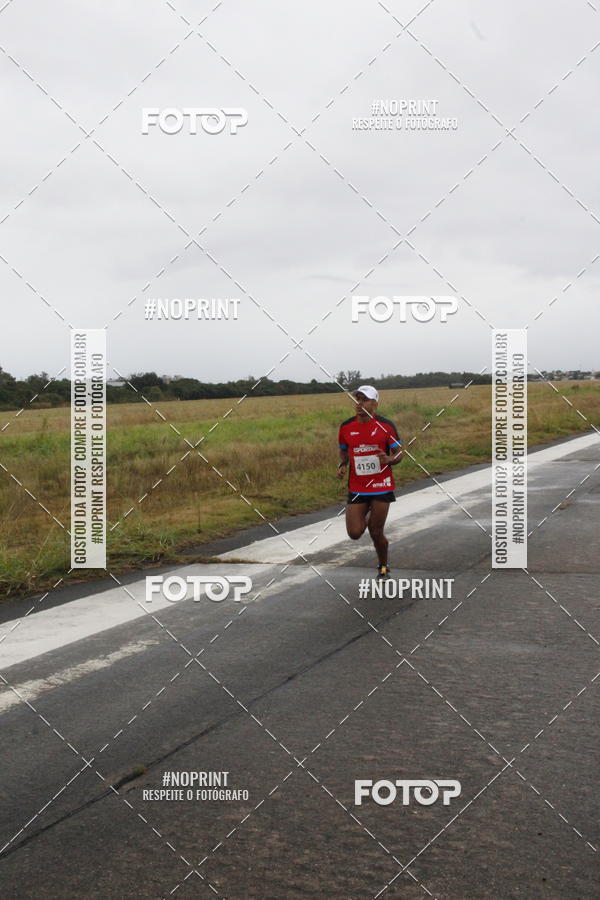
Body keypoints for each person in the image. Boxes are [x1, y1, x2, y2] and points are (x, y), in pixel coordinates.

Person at [337, 385, 403, 578]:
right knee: (355, 533)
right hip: (357, 487)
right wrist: (342, 464)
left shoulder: (386, 426)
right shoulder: (346, 426)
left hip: (381, 485)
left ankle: (383, 566)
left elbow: (399, 452)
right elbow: (343, 449)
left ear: (375, 403)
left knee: (375, 531)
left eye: (365, 399)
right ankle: (367, 515)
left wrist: (390, 460)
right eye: (357, 399)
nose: (360, 404)